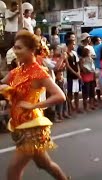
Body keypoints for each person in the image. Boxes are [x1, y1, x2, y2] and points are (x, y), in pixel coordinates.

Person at [0, 30, 68, 180]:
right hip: (19, 124)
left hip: (31, 128)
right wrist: (5, 90)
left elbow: (60, 96)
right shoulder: (17, 71)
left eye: (19, 48)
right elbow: (1, 85)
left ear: (31, 50)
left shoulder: (38, 73)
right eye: (14, 47)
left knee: (13, 172)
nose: (15, 51)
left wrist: (34, 106)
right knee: (45, 164)